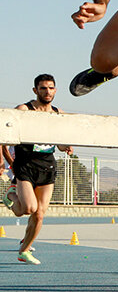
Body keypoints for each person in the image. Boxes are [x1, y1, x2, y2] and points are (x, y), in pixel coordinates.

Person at [2, 75, 73, 264]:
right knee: (27, 208)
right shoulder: (23, 110)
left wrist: (66, 146)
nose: (47, 92)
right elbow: (5, 134)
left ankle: (24, 250)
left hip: (47, 166)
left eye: (51, 88)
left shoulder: (59, 114)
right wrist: (5, 161)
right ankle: (10, 195)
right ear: (35, 90)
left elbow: (59, 144)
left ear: (55, 90)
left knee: (39, 213)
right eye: (43, 88)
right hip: (25, 165)